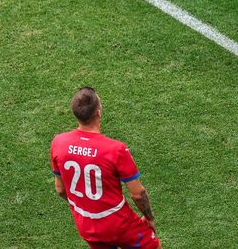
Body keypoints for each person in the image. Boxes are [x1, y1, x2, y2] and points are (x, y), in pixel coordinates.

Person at [51, 87, 161, 249]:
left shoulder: (58, 143)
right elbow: (138, 194)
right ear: (98, 112)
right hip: (119, 225)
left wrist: (86, 208)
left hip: (87, 225)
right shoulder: (115, 149)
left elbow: (60, 189)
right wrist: (149, 218)